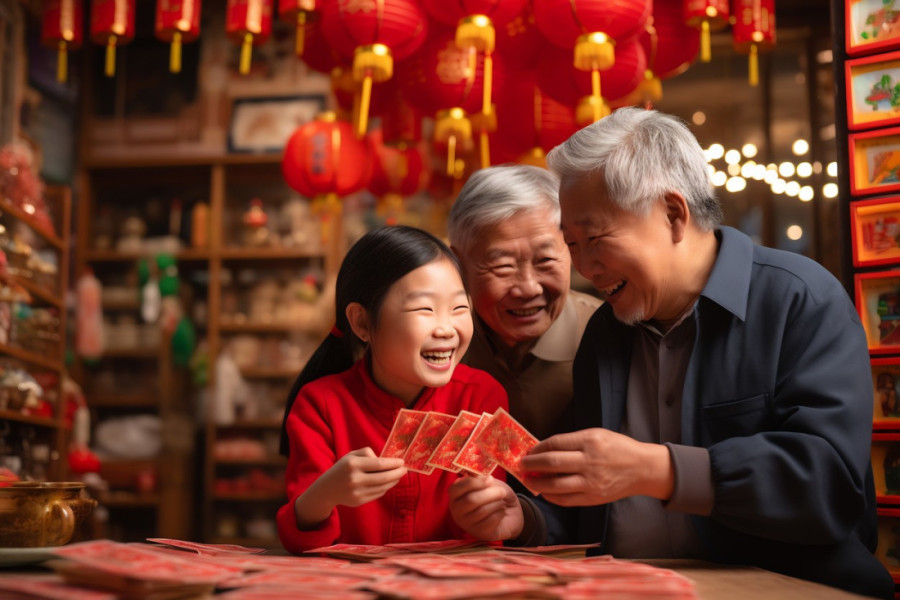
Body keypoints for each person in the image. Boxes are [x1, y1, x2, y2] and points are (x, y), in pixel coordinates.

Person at [447, 108, 893, 599]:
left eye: (594, 238)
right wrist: (528, 517)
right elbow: (596, 502)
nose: (585, 267)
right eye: (572, 244)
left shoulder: (797, 300)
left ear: (673, 214)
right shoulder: (608, 331)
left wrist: (655, 469)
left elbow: (829, 486)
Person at [277, 226, 508, 553]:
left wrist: (486, 509)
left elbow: (486, 536)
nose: (446, 328)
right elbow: (301, 544)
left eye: (459, 308)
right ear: (361, 323)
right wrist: (325, 494)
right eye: (424, 309)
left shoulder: (481, 396)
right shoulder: (320, 404)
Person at [447, 165, 601, 441]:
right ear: (457, 264)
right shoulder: (440, 341)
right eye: (502, 266)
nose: (528, 287)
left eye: (545, 261)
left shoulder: (610, 333)